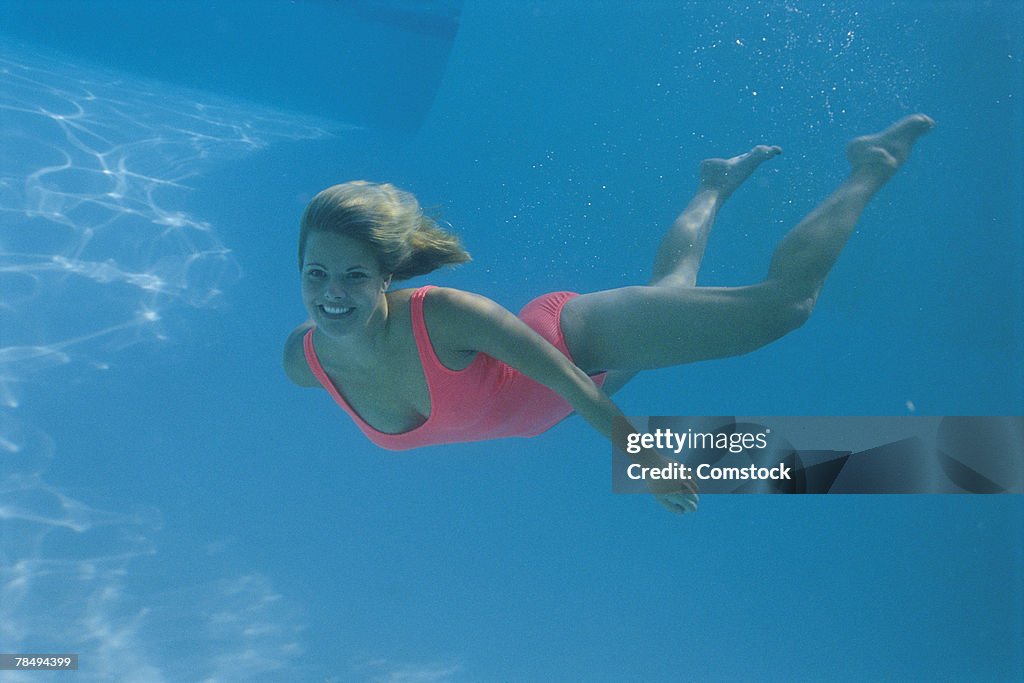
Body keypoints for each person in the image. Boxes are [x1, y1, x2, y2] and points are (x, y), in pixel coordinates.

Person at [284, 114, 934, 514]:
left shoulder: (444, 315)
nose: (332, 293)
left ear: (387, 275)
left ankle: (871, 163)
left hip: (575, 345)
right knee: (671, 286)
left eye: (354, 274)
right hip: (551, 407)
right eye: (316, 273)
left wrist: (647, 458)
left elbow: (566, 377)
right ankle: (713, 182)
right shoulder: (305, 362)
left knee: (783, 307)